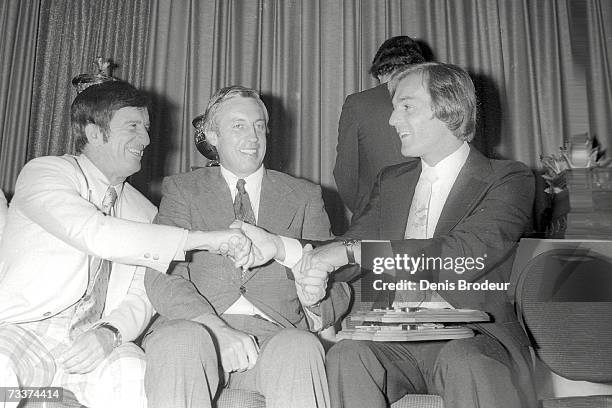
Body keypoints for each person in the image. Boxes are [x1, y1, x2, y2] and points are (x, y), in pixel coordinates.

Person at [237, 63, 538, 408]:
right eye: (394, 109)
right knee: (347, 355)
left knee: (464, 362)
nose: (393, 120)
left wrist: (352, 253)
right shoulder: (392, 181)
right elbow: (350, 247)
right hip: (394, 338)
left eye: (406, 107)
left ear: (450, 108)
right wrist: (280, 247)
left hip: (475, 338)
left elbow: (463, 255)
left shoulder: (508, 179)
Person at [0, 81, 251, 408]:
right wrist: (204, 240)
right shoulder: (45, 173)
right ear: (93, 133)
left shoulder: (147, 211)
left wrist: (110, 333)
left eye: (146, 128)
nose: (146, 139)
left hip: (96, 339)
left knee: (133, 376)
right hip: (28, 325)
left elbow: (142, 292)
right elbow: (96, 233)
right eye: (133, 126)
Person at [143, 85, 350, 408]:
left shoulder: (304, 196)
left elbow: (339, 281)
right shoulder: (182, 190)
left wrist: (314, 300)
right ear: (212, 136)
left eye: (258, 126)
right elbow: (161, 275)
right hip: (196, 329)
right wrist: (215, 328)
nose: (253, 138)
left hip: (274, 336)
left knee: (301, 346)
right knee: (178, 342)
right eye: (238, 126)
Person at [333, 35, 425, 221]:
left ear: (381, 70)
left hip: (378, 221)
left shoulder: (358, 103)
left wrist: (365, 209)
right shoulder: (437, 97)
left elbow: (344, 174)